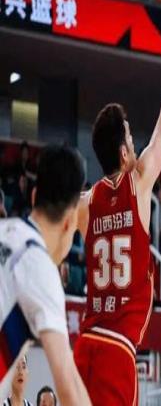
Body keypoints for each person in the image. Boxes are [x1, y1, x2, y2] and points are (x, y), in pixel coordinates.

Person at [73, 0, 161, 405]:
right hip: (117, 349)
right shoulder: (139, 181)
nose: (136, 144)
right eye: (132, 138)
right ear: (123, 153)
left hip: (84, 345)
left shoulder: (85, 204)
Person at [0, 146, 90, 405]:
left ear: (34, 196)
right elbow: (69, 388)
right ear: (69, 221)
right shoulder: (40, 268)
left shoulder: (5, 229)